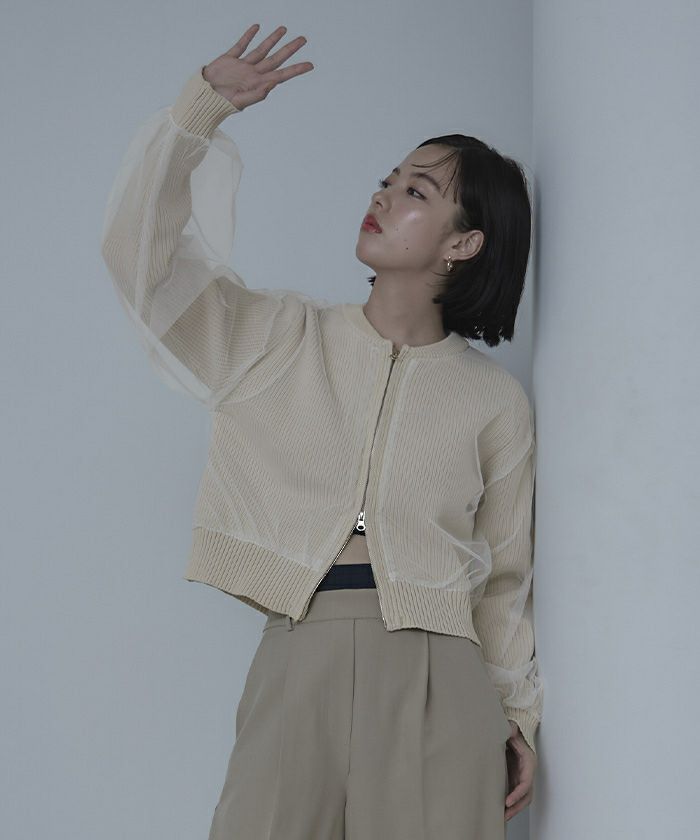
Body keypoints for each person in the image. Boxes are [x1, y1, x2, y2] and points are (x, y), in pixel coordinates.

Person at [100, 23, 543, 838]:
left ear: (464, 242)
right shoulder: (276, 338)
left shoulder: (492, 400)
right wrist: (198, 113)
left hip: (443, 679)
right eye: (386, 181)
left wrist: (517, 714)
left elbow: (506, 581)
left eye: (416, 192)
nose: (383, 196)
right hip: (298, 649)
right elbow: (137, 259)